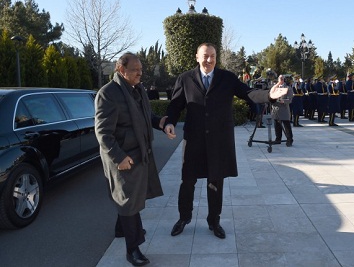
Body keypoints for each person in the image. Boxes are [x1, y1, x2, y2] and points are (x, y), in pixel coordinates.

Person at [163, 43, 287, 239]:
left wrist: (268, 95)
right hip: (194, 140)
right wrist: (169, 122)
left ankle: (214, 221)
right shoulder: (185, 79)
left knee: (215, 182)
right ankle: (183, 218)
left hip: (218, 140)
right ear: (197, 56)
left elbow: (248, 93)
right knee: (187, 181)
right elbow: (175, 105)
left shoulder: (227, 78)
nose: (209, 60)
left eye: (212, 56)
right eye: (205, 56)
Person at [94, 52, 165, 266]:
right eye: (135, 70)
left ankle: (121, 228)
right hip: (122, 157)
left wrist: (160, 122)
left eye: (141, 70)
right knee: (127, 200)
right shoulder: (108, 94)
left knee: (131, 197)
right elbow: (103, 133)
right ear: (121, 70)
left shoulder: (137, 89)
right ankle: (133, 249)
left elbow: (146, 117)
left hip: (139, 153)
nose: (140, 74)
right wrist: (119, 157)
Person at [272, 75, 294, 146]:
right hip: (276, 108)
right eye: (279, 78)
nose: (281, 79)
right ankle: (278, 139)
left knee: (286, 125)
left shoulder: (288, 88)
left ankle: (289, 140)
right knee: (277, 125)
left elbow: (290, 100)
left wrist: (283, 101)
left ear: (284, 79)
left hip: (284, 109)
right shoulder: (275, 87)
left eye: (282, 78)